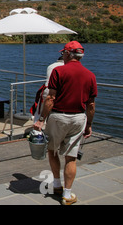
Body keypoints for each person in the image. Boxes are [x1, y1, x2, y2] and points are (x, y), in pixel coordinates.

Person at [33, 41, 97, 205]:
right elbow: (90, 105)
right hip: (78, 118)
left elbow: (50, 98)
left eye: (64, 53)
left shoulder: (58, 71)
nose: (63, 56)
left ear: (67, 54)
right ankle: (67, 195)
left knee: (52, 151)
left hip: (58, 117)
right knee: (71, 158)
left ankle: (56, 184)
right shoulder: (90, 75)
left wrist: (41, 120)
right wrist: (89, 124)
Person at [31, 56, 64, 123]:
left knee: (40, 111)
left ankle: (37, 125)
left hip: (46, 89)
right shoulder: (64, 67)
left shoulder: (50, 66)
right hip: (57, 91)